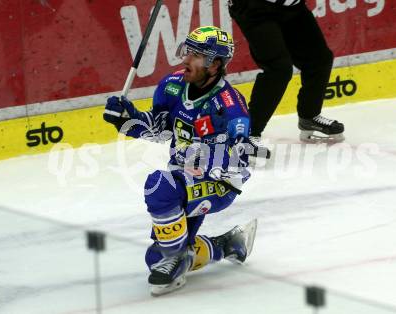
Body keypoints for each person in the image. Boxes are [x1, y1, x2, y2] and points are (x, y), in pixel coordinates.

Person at [103, 26, 257, 296]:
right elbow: (160, 129)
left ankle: (177, 255)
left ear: (215, 64)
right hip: (184, 177)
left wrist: (239, 147)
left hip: (218, 183)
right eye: (188, 51)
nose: (186, 59)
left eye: (196, 55)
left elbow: (240, 140)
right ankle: (226, 245)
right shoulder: (172, 85)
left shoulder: (229, 102)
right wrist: (128, 121)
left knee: (159, 186)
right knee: (155, 259)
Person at [228, 0, 345, 159]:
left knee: (319, 59)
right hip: (254, 8)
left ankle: (309, 117)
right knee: (279, 70)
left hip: (291, 6)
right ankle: (247, 135)